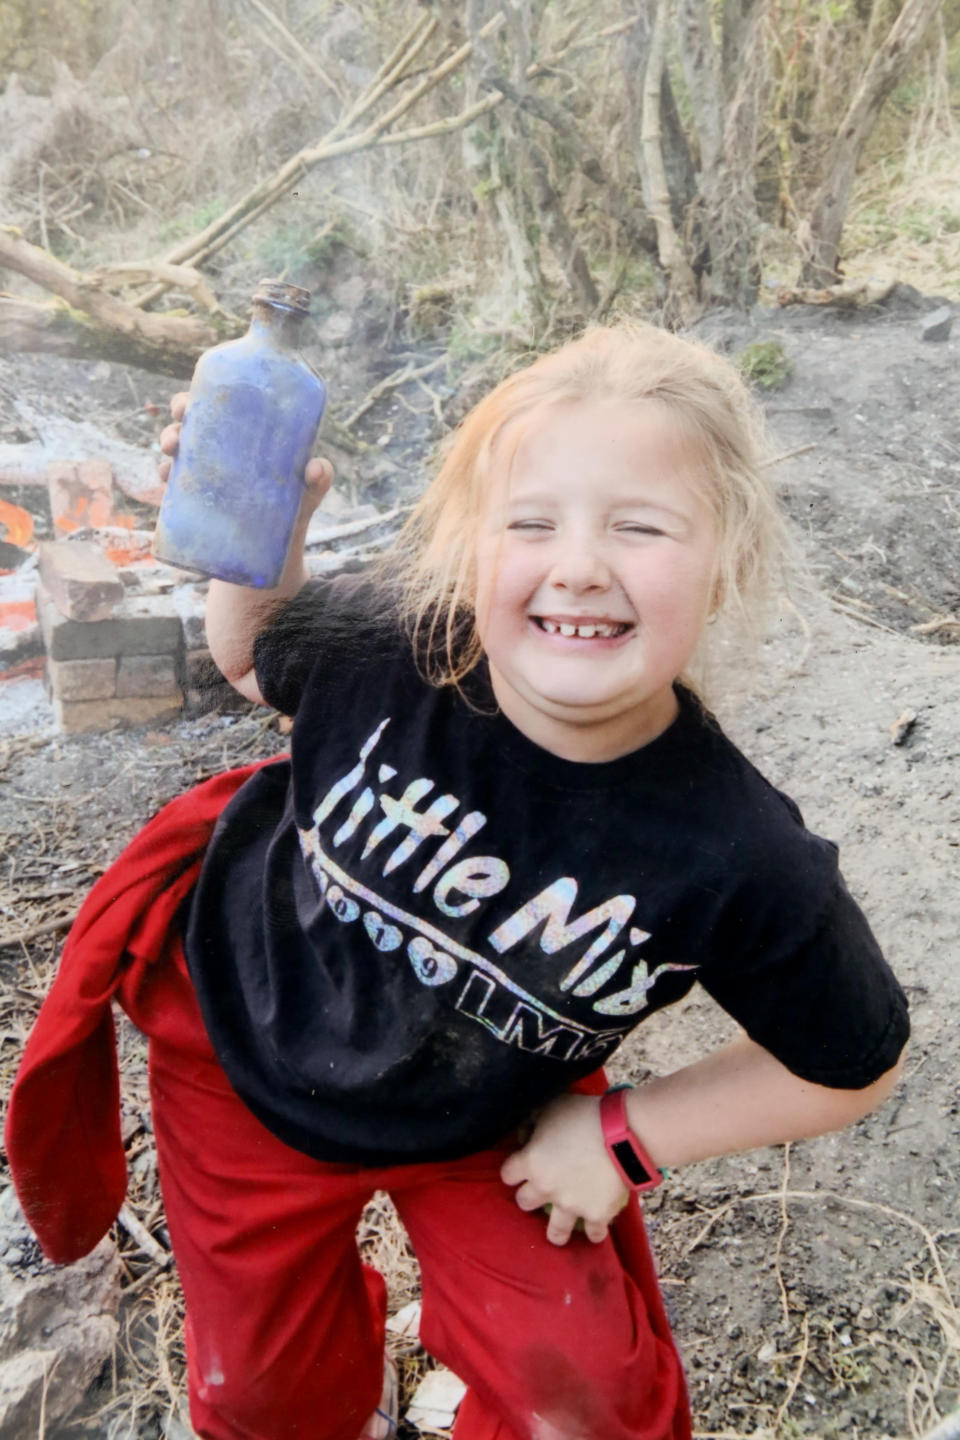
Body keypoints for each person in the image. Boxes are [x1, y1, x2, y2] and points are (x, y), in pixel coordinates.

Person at [8, 323, 908, 1440]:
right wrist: (265, 531)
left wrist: (626, 1138)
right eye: (531, 523)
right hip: (241, 1057)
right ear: (471, 548)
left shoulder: (736, 852)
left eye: (639, 526)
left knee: (580, 1392)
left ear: (728, 561)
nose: (579, 563)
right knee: (264, 1395)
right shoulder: (394, 645)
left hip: (494, 1122)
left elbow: (851, 1062)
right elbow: (253, 654)